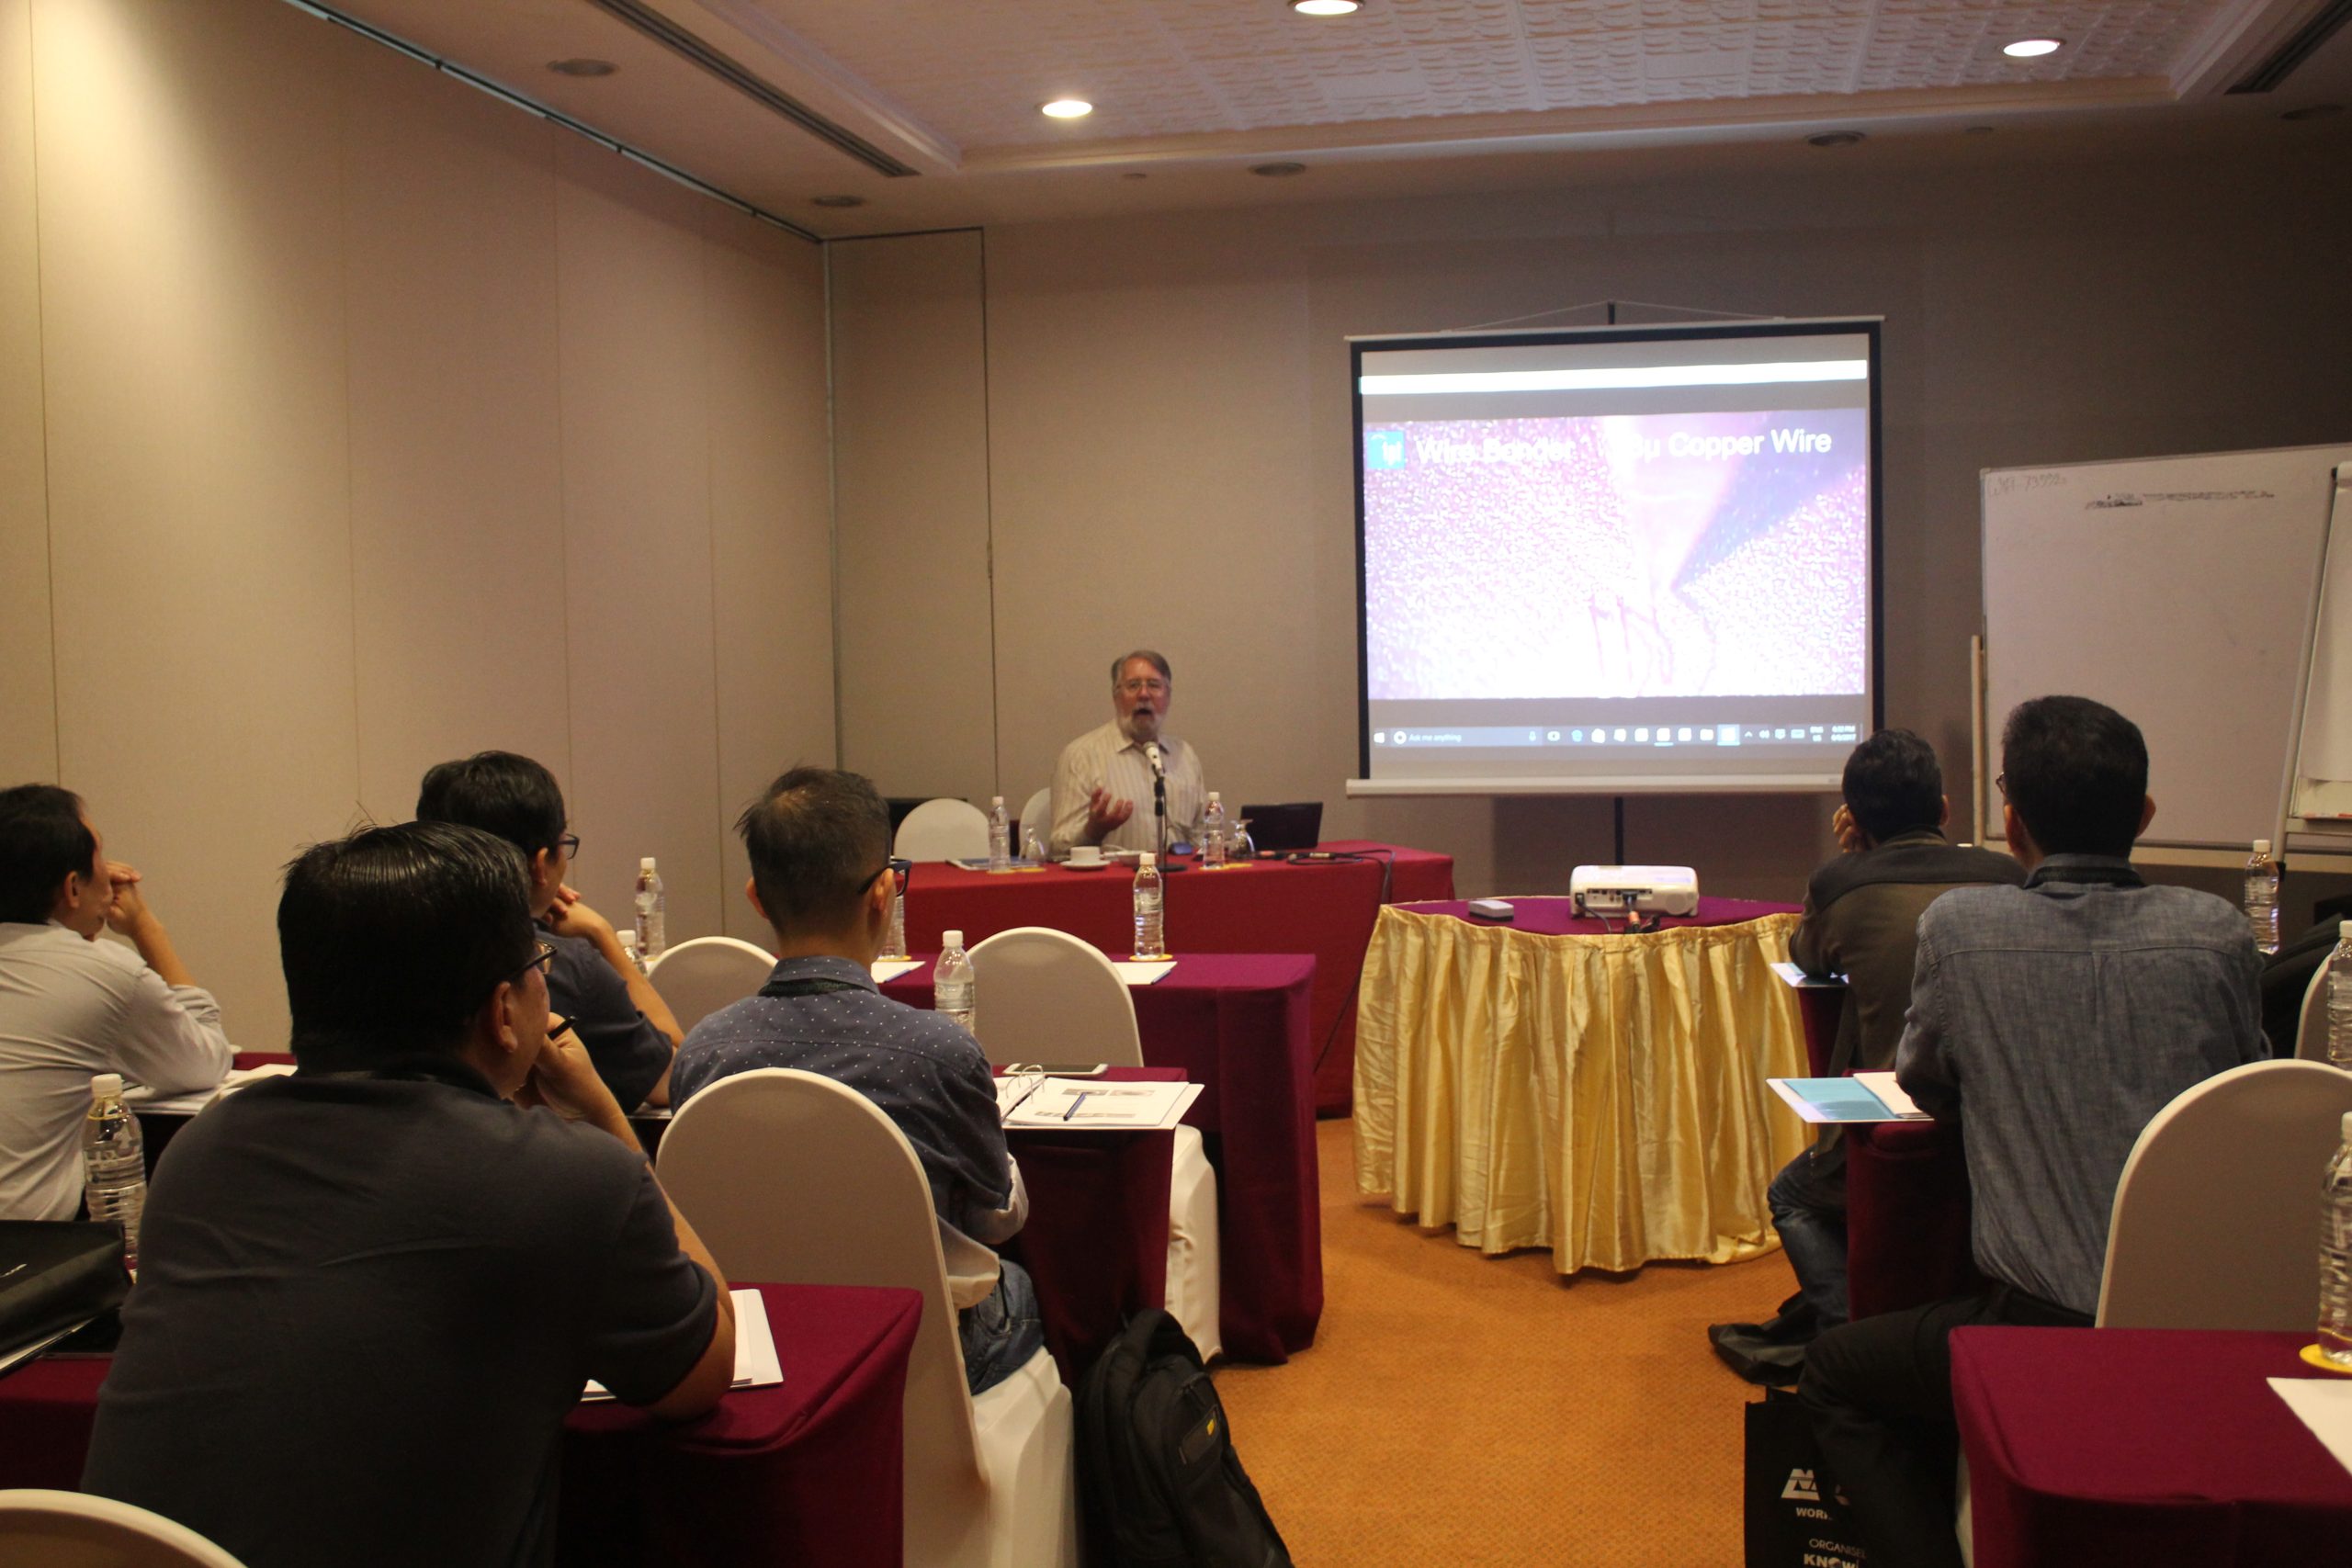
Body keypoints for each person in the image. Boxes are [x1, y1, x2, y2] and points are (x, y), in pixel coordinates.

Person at [82, 821, 733, 1568]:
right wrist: (608, 1123)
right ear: (504, 1010)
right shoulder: (569, 1178)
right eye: (539, 968)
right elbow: (703, 1370)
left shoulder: (201, 1152)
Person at [1798, 696, 2266, 1568]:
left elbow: (1925, 1084)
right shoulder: (2218, 933)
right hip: (2202, 1325)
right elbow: (2241, 1093)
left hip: (2038, 1332)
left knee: (1834, 1375)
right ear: (2146, 814)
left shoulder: (1962, 931)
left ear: (2011, 822)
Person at [671, 766, 1043, 1393]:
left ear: (756, 897)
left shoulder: (703, 1052)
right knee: (1024, 1286)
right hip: (915, 1356)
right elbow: (994, 1220)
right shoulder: (940, 1052)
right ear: (884, 893)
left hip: (759, 1346)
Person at [1708, 730, 2022, 1379]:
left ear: (1852, 816)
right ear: (1944, 809)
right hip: (2004, 1124)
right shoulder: (2009, 879)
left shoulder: (1842, 884)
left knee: (1792, 1196)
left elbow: (1808, 956)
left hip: (1898, 1131)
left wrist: (1853, 861)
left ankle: (1848, 1336)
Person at [0, 784, 232, 1220]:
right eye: (100, 858)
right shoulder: (102, 971)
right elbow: (204, 1062)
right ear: (72, 887)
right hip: (29, 1249)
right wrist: (146, 928)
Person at [417, 750, 683, 1108]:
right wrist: (601, 935)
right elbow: (675, 1077)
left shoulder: (389, 949)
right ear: (541, 864)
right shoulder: (562, 964)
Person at [1048, 649, 1207, 857]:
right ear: (1116, 697)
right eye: (1133, 685)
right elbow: (1058, 850)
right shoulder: (1081, 756)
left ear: (1168, 696)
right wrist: (1093, 831)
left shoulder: (1185, 756)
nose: (1144, 694)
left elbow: (1202, 839)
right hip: (1112, 877)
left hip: (1179, 875)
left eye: (1154, 685)